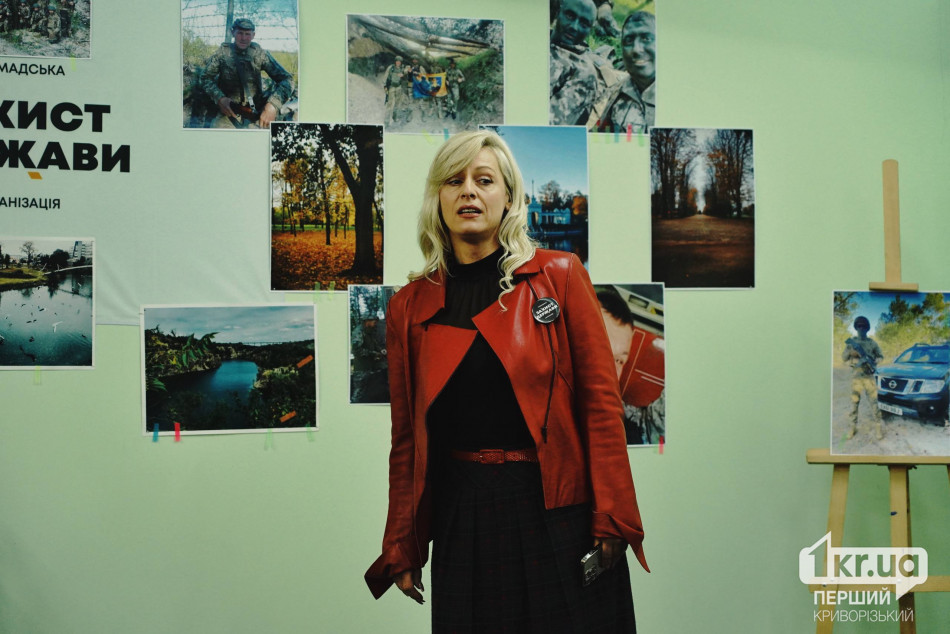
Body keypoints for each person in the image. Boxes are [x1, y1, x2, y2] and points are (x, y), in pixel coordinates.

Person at [365, 131, 647, 632]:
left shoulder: (560, 275)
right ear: (438, 198)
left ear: (510, 197)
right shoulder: (408, 307)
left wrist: (613, 512)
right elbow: (407, 439)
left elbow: (602, 407)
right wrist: (401, 541)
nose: (468, 192)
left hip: (559, 510)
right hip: (463, 515)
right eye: (454, 181)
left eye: (484, 180)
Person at [198, 18, 294, 129]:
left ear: (253, 35)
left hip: (256, 112)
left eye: (247, 34)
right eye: (240, 33)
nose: (243, 38)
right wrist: (220, 99)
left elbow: (287, 79)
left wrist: (272, 106)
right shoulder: (223, 53)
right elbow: (205, 78)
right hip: (228, 112)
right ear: (232, 32)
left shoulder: (259, 53)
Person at [549, 0, 622, 126]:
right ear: (558, 12)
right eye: (570, 16)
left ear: (590, 29)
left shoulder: (583, 73)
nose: (574, 27)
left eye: (584, 23)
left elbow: (552, 126)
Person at [592, 11, 656, 133]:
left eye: (646, 38)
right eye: (629, 41)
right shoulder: (614, 94)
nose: (636, 49)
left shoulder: (680, 97)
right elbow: (596, 137)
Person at [842, 315, 884, 440]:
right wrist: (851, 353)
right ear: (856, 327)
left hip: (869, 377)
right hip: (856, 378)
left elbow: (880, 356)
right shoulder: (852, 343)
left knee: (874, 404)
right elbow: (844, 358)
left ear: (867, 328)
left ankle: (878, 428)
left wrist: (875, 361)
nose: (861, 328)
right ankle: (852, 427)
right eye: (859, 326)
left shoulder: (872, 343)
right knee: (854, 404)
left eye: (864, 326)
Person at [383, 55, 407, 125]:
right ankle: (386, 121)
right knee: (389, 104)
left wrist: (403, 75)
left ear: (401, 62)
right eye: (397, 61)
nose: (398, 63)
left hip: (398, 87)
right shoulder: (391, 68)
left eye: (399, 62)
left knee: (397, 103)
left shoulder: (402, 69)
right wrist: (385, 86)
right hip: (391, 87)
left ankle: (395, 117)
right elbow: (385, 76)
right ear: (395, 61)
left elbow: (406, 74)